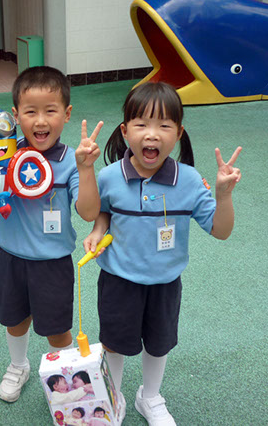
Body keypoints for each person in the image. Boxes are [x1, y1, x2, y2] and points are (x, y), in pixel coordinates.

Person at [83, 81, 242, 426]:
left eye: (164, 125)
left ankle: (150, 396)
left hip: (165, 282)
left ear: (179, 133)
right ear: (125, 131)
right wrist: (98, 229)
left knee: (158, 344)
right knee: (114, 343)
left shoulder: (189, 180)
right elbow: (103, 210)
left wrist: (224, 196)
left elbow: (221, 230)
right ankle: (113, 397)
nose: (152, 134)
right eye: (141, 124)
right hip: (118, 279)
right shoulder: (109, 176)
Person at [0, 65, 103, 403]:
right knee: (14, 320)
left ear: (67, 114)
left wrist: (86, 168)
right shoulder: (3, 148)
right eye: (31, 112)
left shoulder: (72, 161)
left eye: (50, 111)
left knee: (57, 330)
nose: (40, 121)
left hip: (53, 262)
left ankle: (65, 377)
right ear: (15, 116)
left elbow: (89, 212)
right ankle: (19, 365)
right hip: (10, 256)